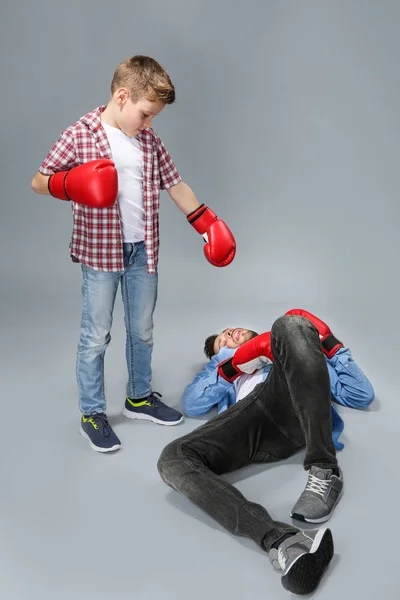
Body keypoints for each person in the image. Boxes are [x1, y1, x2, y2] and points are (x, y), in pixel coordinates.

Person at [31, 55, 236, 453]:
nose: (149, 123)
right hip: (100, 254)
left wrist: (207, 222)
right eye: (145, 114)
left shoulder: (149, 140)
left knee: (142, 332)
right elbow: (39, 181)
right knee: (96, 337)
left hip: (144, 252)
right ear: (122, 96)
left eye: (153, 117)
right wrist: (72, 182)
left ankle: (139, 398)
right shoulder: (80, 134)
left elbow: (175, 185)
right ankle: (93, 413)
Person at [157, 310, 375, 594]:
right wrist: (232, 364)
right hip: (250, 421)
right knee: (172, 457)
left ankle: (325, 469)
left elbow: (361, 395)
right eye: (222, 340)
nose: (229, 333)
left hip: (293, 410)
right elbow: (192, 403)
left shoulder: (295, 348)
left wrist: (330, 345)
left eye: (232, 329)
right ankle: (286, 543)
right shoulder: (221, 367)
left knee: (290, 323)